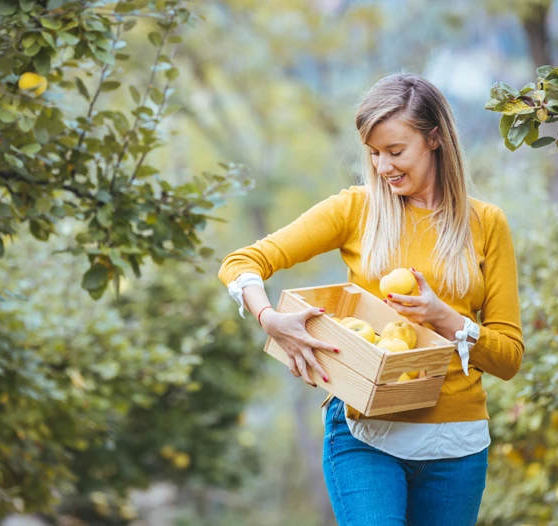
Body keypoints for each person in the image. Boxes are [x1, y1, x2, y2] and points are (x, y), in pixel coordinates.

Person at [217, 73, 524, 526]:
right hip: (365, 435)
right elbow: (243, 261)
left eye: (395, 151)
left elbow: (509, 358)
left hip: (457, 446)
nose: (383, 167)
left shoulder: (486, 224)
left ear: (435, 138)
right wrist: (267, 317)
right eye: (374, 153)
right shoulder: (355, 209)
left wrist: (445, 318)